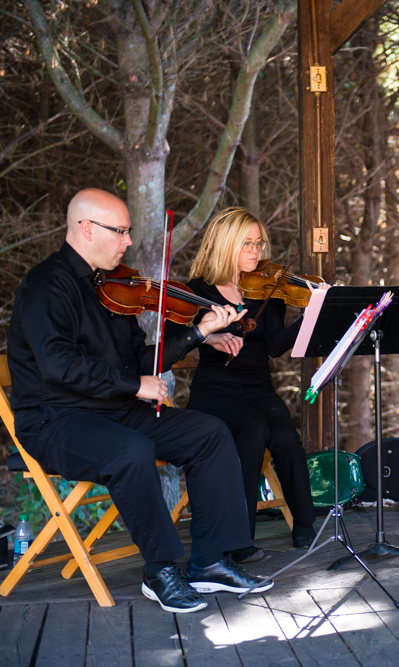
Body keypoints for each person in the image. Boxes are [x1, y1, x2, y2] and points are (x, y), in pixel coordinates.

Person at [7, 188, 272, 614]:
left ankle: (209, 562)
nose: (128, 241)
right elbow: (60, 367)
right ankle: (161, 569)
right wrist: (136, 385)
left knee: (208, 432)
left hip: (114, 411)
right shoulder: (45, 286)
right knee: (133, 451)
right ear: (86, 228)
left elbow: (139, 357)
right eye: (121, 232)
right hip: (55, 421)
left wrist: (198, 332)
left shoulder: (112, 287)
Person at [169, 207, 318, 557]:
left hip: (257, 388)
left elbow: (275, 347)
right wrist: (208, 337)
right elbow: (174, 337)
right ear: (226, 245)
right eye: (247, 244)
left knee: (283, 431)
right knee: (253, 427)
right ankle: (239, 537)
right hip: (213, 392)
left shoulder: (269, 288)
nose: (256, 251)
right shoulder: (198, 290)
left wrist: (311, 316)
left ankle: (305, 524)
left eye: (259, 243)